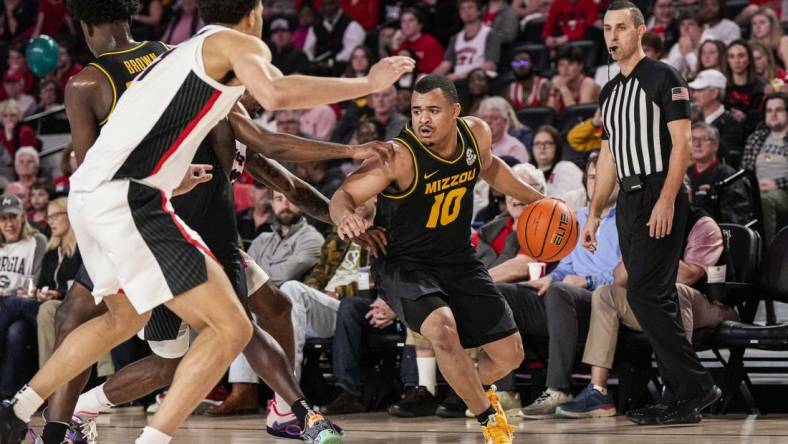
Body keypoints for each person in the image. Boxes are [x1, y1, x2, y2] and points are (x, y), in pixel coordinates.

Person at [0, 1, 415, 444]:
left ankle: (17, 409)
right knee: (232, 328)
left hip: (93, 195)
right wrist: (367, 83)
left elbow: (152, 134)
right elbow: (275, 94)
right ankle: (155, 437)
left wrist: (168, 180)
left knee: (121, 318)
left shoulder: (182, 54)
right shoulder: (227, 44)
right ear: (254, 13)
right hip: (132, 200)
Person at [329, 75, 546, 443]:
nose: (423, 119)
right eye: (416, 111)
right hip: (404, 264)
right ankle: (490, 422)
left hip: (459, 261)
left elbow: (490, 167)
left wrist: (538, 200)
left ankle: (466, 385)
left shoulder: (475, 133)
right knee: (442, 329)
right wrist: (345, 217)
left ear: (455, 112)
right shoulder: (400, 156)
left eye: (432, 110)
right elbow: (343, 195)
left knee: (510, 355)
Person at [585, 1, 721, 426]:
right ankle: (686, 393)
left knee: (646, 295)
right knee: (648, 297)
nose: (612, 36)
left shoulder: (664, 76)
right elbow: (608, 156)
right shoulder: (609, 92)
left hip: (658, 193)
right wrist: (593, 214)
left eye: (621, 28)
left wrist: (666, 197)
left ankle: (696, 387)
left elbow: (681, 145)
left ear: (640, 31)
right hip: (626, 200)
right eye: (607, 28)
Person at [563, 203, 738, 419]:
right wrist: (640, 247)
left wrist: (654, 251)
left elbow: (688, 276)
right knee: (605, 294)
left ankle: (679, 389)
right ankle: (597, 391)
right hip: (656, 302)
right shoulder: (647, 225)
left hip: (710, 304)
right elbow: (620, 277)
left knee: (675, 291)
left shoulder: (702, 225)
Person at [508, 152, 621, 419]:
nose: (597, 183)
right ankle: (504, 390)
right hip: (564, 298)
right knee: (504, 293)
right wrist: (551, 277)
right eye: (592, 177)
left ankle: (558, 388)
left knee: (561, 292)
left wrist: (588, 280)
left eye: (604, 177)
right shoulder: (576, 219)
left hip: (601, 302)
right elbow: (567, 269)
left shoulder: (628, 221)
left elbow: (628, 275)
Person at [209, 189, 323, 416]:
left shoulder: (312, 237)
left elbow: (285, 275)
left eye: (291, 200)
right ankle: (243, 392)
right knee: (242, 308)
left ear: (302, 204)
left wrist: (258, 276)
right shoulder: (262, 239)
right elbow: (243, 276)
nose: (285, 205)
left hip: (312, 308)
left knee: (287, 291)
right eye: (279, 199)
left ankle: (290, 395)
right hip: (272, 308)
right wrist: (256, 280)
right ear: (272, 203)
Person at [0, 194, 47, 399]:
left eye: (13, 217)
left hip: (26, 305)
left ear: (22, 218)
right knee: (15, 333)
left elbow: (33, 282)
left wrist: (24, 290)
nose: (9, 224)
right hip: (7, 313)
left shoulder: (36, 241)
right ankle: (7, 397)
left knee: (14, 302)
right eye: (3, 218)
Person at [35, 197, 83, 369]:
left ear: (70, 215)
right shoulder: (50, 252)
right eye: (49, 217)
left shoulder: (81, 248)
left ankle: (47, 375)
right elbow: (42, 284)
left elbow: (82, 284)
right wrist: (38, 292)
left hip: (75, 302)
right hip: (50, 302)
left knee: (47, 310)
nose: (51, 221)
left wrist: (59, 292)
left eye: (56, 216)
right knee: (17, 327)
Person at [743, 92, 788, 245]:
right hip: (756, 189)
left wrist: (777, 184)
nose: (773, 114)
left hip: (783, 191)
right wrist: (754, 185)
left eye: (779, 110)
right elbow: (745, 170)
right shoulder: (756, 138)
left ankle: (770, 252)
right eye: (769, 110)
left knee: (766, 199)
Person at [687, 122, 752, 225]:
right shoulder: (684, 174)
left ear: (715, 145)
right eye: (693, 139)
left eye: (704, 139)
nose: (697, 144)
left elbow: (736, 217)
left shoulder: (728, 176)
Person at [688, 69, 746, 166]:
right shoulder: (690, 120)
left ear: (714, 93)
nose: (694, 95)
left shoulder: (731, 123)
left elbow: (728, 157)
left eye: (700, 90)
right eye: (694, 91)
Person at [433, 0, 501, 81]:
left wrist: (461, 76)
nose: (466, 11)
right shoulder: (455, 38)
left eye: (470, 7)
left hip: (480, 80)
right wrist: (429, 80)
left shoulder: (489, 33)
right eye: (462, 8)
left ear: (479, 11)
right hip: (458, 81)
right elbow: (445, 65)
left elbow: (490, 65)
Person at [531, 125, 586, 209]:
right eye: (537, 143)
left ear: (557, 147)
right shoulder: (526, 172)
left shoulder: (567, 168)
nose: (542, 147)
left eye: (548, 143)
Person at [302, 0, 366, 72]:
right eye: (324, 5)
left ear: (339, 3)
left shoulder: (352, 25)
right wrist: (314, 62)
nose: (327, 8)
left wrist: (330, 62)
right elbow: (307, 51)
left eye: (331, 4)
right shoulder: (315, 27)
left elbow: (351, 52)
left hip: (343, 70)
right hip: (318, 70)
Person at [725, 40, 767, 134]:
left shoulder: (761, 87)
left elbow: (762, 119)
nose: (736, 61)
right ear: (727, 61)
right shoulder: (722, 84)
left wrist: (746, 118)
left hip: (751, 133)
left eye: (741, 56)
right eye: (732, 56)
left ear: (749, 60)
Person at [391, 8, 444, 75]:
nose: (406, 24)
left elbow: (434, 71)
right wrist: (395, 45)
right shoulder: (402, 44)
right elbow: (394, 71)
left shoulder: (431, 43)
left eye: (411, 20)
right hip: (405, 81)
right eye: (403, 21)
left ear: (420, 24)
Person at [547, 46, 600, 113]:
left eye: (570, 64)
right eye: (561, 64)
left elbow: (580, 115)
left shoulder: (589, 84)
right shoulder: (558, 84)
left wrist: (563, 88)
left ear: (580, 66)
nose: (565, 68)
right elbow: (550, 115)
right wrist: (553, 92)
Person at [478, 97, 529, 164]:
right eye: (484, 117)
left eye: (494, 118)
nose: (488, 121)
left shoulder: (515, 148)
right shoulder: (473, 145)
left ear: (505, 122)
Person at [664, 12, 702, 79]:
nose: (686, 28)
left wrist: (688, 53)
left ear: (700, 29)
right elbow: (670, 74)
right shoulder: (676, 46)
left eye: (691, 24)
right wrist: (681, 52)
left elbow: (701, 74)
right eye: (682, 24)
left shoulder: (707, 44)